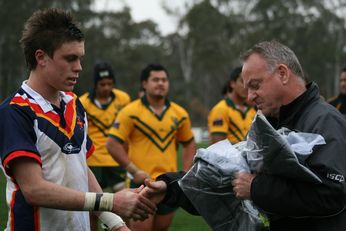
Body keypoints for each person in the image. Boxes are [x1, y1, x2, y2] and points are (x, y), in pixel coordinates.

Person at [142, 41, 346, 231]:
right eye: (246, 87)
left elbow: (333, 194)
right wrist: (170, 188)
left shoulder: (325, 120)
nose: (249, 97)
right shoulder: (267, 123)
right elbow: (225, 180)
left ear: (283, 74)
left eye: (255, 85)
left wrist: (256, 188)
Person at [0, 8, 156, 231]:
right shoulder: (14, 111)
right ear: (41, 57)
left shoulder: (74, 104)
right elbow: (34, 190)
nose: (79, 67)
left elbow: (82, 170)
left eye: (80, 58)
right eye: (70, 58)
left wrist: (116, 224)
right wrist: (112, 201)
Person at [106, 64, 196, 231]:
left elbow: (189, 142)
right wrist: (134, 171)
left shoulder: (180, 113)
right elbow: (112, 143)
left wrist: (185, 173)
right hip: (142, 184)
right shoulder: (130, 111)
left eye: (164, 80)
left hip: (169, 184)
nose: (161, 83)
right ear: (144, 84)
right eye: (155, 80)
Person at [80, 61, 131, 230]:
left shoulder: (123, 99)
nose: (106, 87)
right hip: (93, 162)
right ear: (95, 84)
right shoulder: (83, 102)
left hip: (115, 161)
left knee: (126, 206)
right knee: (92, 209)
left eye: (110, 83)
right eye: (102, 84)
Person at [208, 66, 256, 144]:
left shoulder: (252, 111)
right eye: (242, 81)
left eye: (249, 83)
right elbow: (217, 148)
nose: (246, 86)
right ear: (232, 83)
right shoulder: (221, 109)